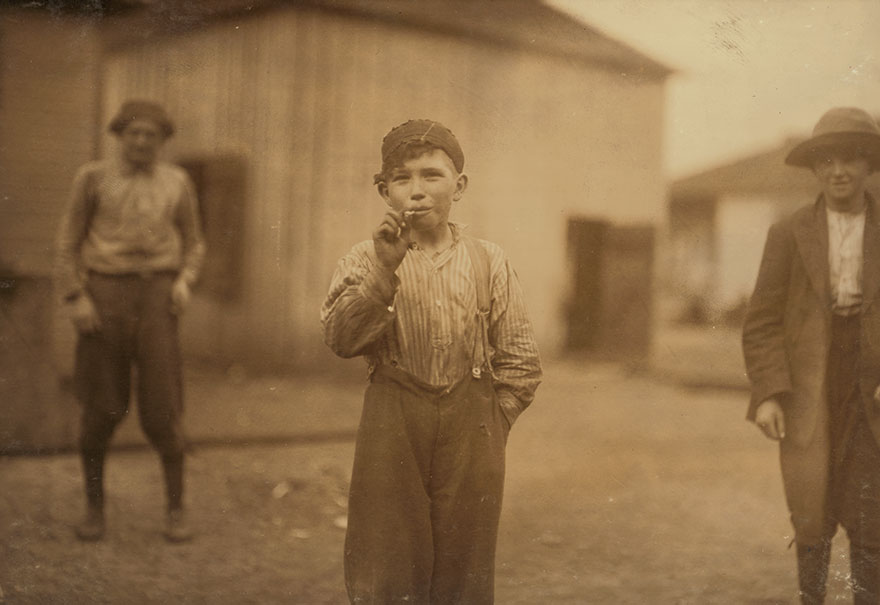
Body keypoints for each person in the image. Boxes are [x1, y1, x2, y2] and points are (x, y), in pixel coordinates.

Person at [321, 119, 542, 603]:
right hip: (393, 418)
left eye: (431, 175)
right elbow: (340, 338)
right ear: (384, 191)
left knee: (465, 569)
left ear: (458, 186)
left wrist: (490, 424)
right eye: (402, 179)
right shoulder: (366, 258)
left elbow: (522, 363)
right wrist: (384, 270)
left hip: (473, 425)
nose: (416, 191)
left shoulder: (489, 261)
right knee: (388, 564)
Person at [743, 107, 880, 604]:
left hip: (872, 387)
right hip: (808, 384)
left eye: (850, 159)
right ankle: (812, 599)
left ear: (869, 165)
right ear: (815, 170)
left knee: (872, 518)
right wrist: (769, 394)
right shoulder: (789, 232)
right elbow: (761, 322)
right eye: (827, 161)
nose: (838, 171)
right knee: (811, 512)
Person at [55, 100, 205, 543]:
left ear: (162, 141)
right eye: (133, 133)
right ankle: (94, 509)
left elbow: (195, 243)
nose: (141, 142)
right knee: (102, 408)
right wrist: (75, 296)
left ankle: (176, 510)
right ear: (119, 136)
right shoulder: (92, 178)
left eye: (151, 135)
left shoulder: (177, 182)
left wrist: (185, 281)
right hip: (104, 295)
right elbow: (67, 242)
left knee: (162, 409)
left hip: (158, 297)